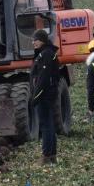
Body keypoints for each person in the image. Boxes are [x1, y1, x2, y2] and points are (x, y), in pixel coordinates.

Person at [30, 29, 61, 164]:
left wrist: (36, 97)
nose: (33, 43)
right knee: (49, 125)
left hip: (45, 96)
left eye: (35, 40)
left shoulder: (46, 55)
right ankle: (52, 155)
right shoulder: (46, 53)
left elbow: (42, 79)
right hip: (48, 94)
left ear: (41, 40)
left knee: (46, 126)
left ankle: (46, 155)